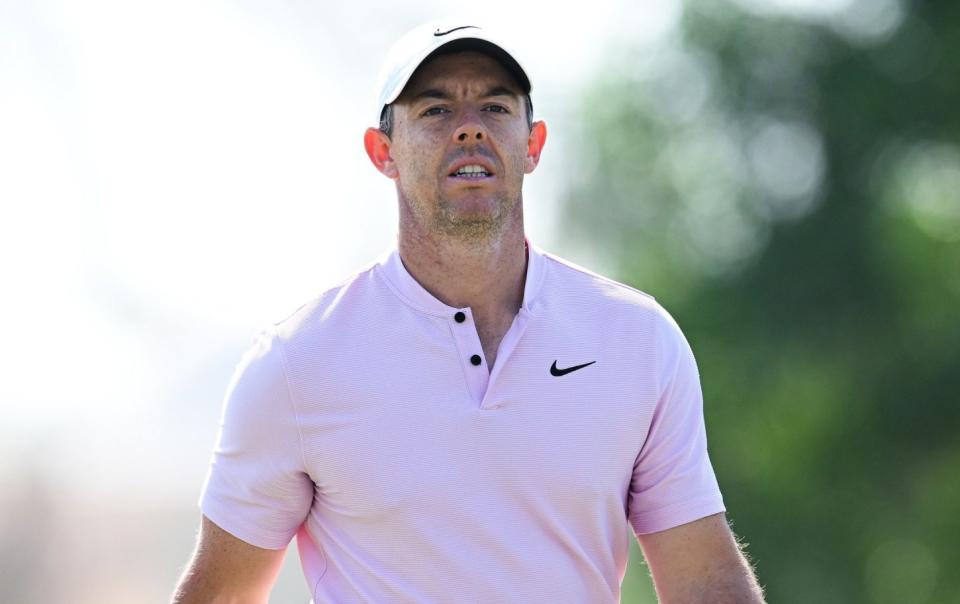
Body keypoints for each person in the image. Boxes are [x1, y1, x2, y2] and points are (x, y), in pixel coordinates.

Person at [171, 19, 765, 604]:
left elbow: (706, 585)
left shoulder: (638, 342)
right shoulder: (296, 364)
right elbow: (219, 595)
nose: (469, 130)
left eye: (495, 108)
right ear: (384, 153)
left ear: (532, 145)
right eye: (435, 111)